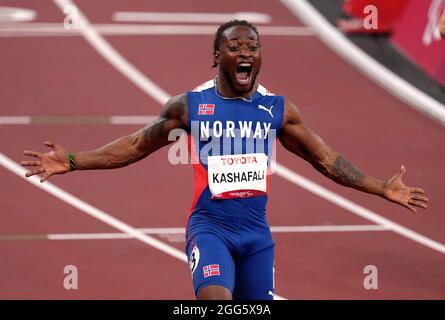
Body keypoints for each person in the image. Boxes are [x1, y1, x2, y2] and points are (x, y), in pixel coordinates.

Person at [21, 20, 428, 300]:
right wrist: (72, 161)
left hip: (256, 237)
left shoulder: (277, 111)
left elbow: (324, 159)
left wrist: (381, 187)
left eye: (253, 46)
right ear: (216, 57)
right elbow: (133, 146)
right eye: (234, 47)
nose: (245, 52)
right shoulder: (191, 107)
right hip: (209, 228)